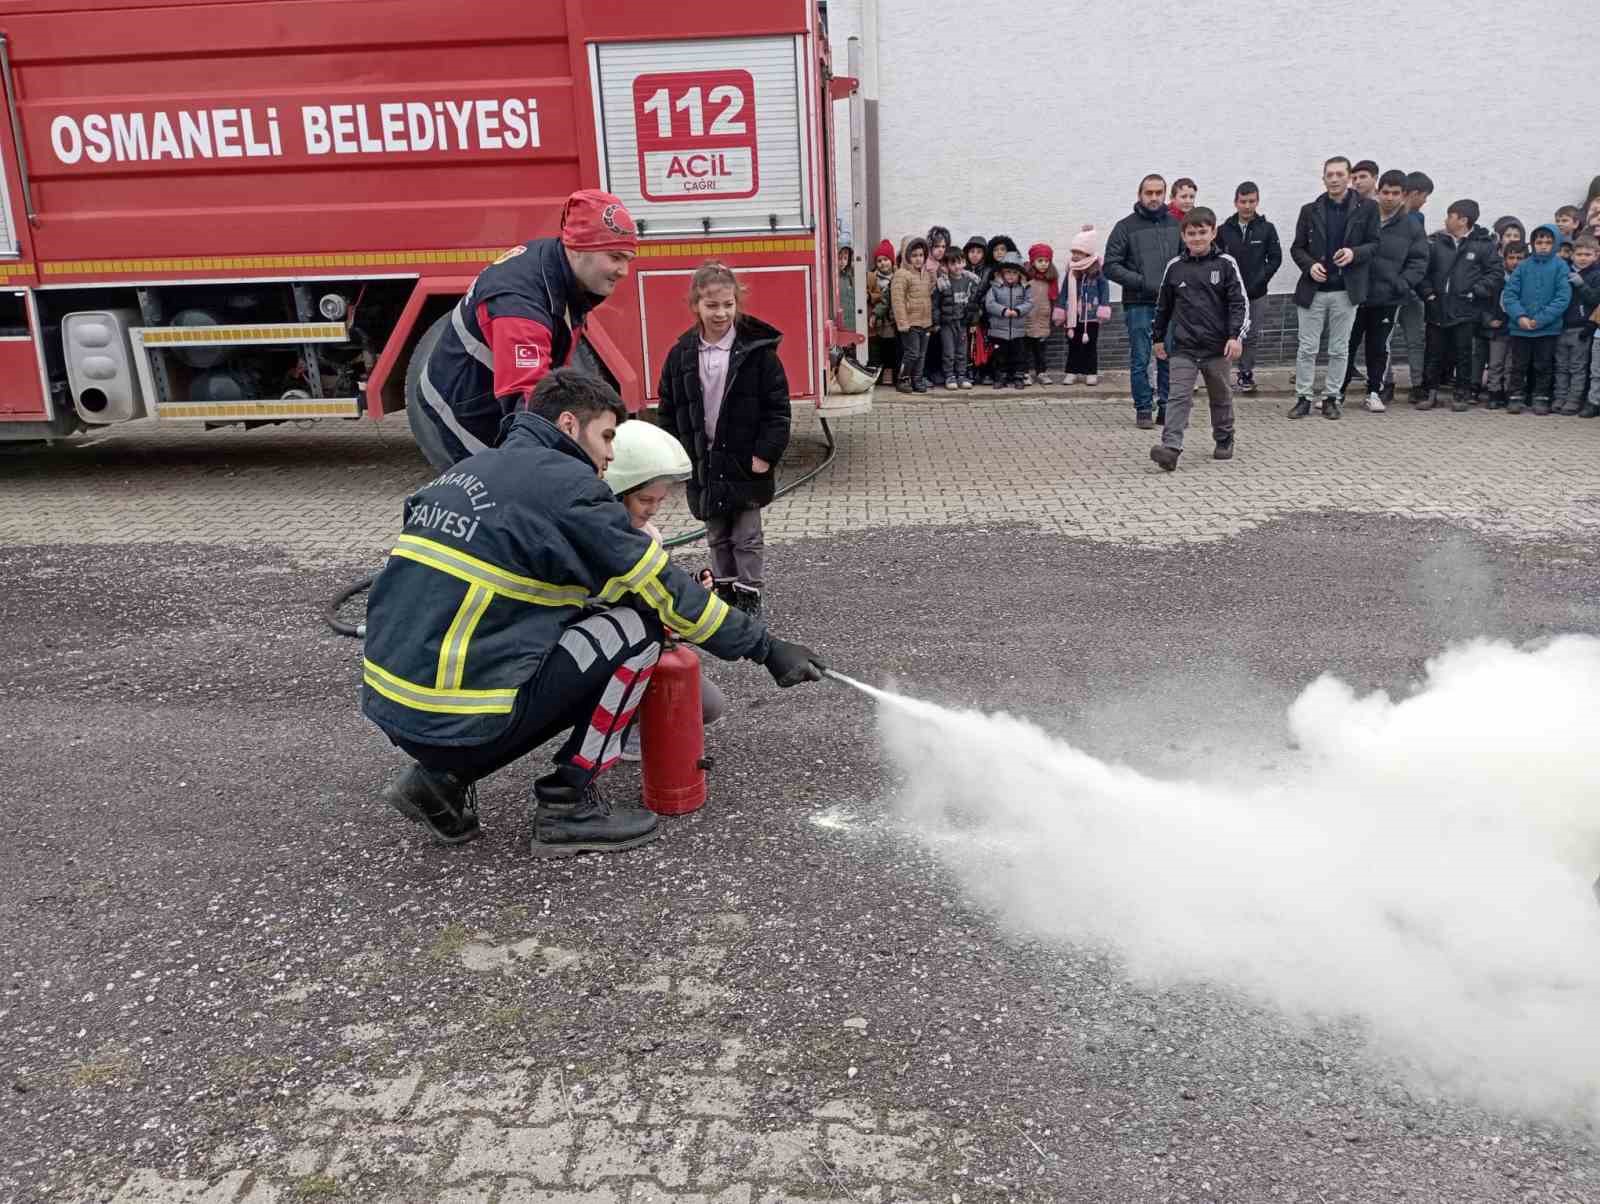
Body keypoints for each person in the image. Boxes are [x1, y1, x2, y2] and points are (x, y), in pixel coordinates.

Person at [364, 369, 826, 856]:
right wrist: (765, 647)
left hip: (395, 707)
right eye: (606, 435)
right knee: (637, 629)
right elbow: (662, 593)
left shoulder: (470, 470)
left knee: (579, 637)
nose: (610, 454)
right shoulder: (568, 486)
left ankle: (437, 782)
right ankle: (568, 803)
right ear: (568, 424)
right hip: (457, 717)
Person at [410, 189, 638, 469]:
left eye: (628, 259)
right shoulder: (520, 303)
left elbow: (552, 378)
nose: (624, 271)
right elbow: (530, 402)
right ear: (579, 248)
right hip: (461, 411)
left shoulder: (560, 270)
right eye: (615, 257)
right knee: (500, 489)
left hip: (490, 395)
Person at [655, 262, 792, 613]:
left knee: (747, 536)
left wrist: (765, 453)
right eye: (712, 306)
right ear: (695, 306)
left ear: (737, 303)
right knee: (717, 534)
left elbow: (777, 409)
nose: (721, 313)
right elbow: (670, 409)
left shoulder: (758, 354)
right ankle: (725, 593)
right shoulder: (681, 355)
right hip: (705, 460)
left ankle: (749, 596)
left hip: (745, 460)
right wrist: (675, 456)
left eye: (728, 305)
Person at [603, 419, 728, 762]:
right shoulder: (597, 542)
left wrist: (692, 588)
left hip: (640, 644)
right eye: (645, 499)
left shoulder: (650, 537)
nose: (653, 509)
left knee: (709, 706)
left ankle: (634, 723)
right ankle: (616, 733)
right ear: (617, 491)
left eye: (660, 500)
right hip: (604, 655)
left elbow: (659, 590)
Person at [1149, 207, 1247, 471]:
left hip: (1217, 348)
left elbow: (1239, 303)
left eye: (1202, 232)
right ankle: (1171, 448)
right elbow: (1163, 306)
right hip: (1184, 348)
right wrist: (1157, 337)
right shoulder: (1175, 267)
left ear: (1213, 232)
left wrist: (1235, 336)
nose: (1197, 238)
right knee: (1178, 397)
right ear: (1183, 236)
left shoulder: (1226, 264)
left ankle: (1224, 437)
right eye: (1191, 233)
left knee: (1221, 395)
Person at [1288, 156, 1380, 420]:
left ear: (1349, 177)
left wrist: (1354, 253)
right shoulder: (1310, 210)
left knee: (1339, 348)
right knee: (1307, 348)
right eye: (1330, 174)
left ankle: (1331, 398)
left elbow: (1375, 244)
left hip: (1345, 290)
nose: (1335, 179)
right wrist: (1309, 266)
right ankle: (1303, 397)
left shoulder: (1367, 209)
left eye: (1340, 174)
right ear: (1324, 178)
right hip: (1313, 290)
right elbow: (1297, 247)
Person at [1344, 170, 1428, 413]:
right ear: (1378, 192)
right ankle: (1336, 392)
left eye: (1395, 193)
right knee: (1346, 345)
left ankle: (1374, 392)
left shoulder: (1411, 226)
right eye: (1386, 192)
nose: (1389, 198)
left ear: (1403, 196)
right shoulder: (1360, 217)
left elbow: (1419, 261)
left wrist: (1400, 284)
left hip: (1387, 298)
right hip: (1356, 294)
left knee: (1379, 347)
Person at [1105, 174, 1182, 429]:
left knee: (1168, 357)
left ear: (1165, 194)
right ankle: (1143, 408)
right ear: (1140, 194)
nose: (1153, 198)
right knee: (1140, 358)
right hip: (1138, 303)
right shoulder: (1125, 227)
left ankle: (1166, 409)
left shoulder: (1175, 225)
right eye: (1148, 193)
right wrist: (1143, 281)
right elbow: (1111, 266)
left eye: (1158, 192)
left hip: (1170, 305)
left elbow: (1186, 260)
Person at [1419, 200, 1502, 411]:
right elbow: (1423, 271)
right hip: (1437, 307)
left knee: (1463, 353)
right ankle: (1430, 392)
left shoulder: (1483, 244)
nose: (1446, 220)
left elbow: (1495, 273)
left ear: (1463, 220)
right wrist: (1428, 294)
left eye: (1450, 216)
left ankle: (1462, 393)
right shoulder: (1436, 242)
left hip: (1466, 309)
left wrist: (1476, 291)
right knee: (1433, 352)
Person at [1216, 181, 1283, 393]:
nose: (1247, 206)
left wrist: (1260, 279)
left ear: (1257, 201)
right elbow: (1217, 259)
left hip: (1256, 293)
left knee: (1251, 335)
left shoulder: (1267, 229)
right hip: (1228, 294)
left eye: (1251, 201)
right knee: (1226, 333)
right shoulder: (1223, 230)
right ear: (1235, 202)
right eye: (1243, 201)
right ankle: (1221, 374)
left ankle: (1246, 374)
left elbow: (1275, 258)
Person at [1502, 224, 1572, 414]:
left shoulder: (1560, 267)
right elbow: (1509, 295)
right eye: (1539, 242)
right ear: (1532, 243)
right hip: (1520, 328)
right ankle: (1515, 396)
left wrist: (1540, 320)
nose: (1543, 245)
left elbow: (1562, 298)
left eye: (1548, 242)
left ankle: (1541, 397)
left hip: (1547, 328)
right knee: (1518, 365)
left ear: (1555, 244)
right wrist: (1521, 316)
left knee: (1543, 365)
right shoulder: (1523, 266)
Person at [1394, 171, 1434, 401]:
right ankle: (1388, 382)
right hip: (1394, 287)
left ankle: (1416, 384)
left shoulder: (1417, 219)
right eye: (1425, 196)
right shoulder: (1391, 216)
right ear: (1415, 193)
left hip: (1409, 288)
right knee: (1388, 340)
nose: (1425, 201)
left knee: (1415, 339)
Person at [1055, 225, 1111, 385]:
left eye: (1078, 252)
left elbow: (1104, 289)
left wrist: (1103, 306)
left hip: (1091, 316)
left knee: (1090, 345)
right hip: (1074, 316)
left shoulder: (1097, 270)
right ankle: (1071, 372)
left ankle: (1091, 372)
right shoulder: (1072, 270)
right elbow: (1064, 290)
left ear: (1087, 253)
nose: (1075, 256)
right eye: (1073, 252)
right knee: (1073, 345)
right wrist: (1060, 308)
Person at [1555, 234, 1600, 413]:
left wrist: (1581, 285)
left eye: (1587, 254)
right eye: (1579, 254)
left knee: (1577, 367)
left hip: (1582, 327)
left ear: (1596, 255)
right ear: (1572, 255)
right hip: (1562, 325)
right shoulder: (1565, 271)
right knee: (1561, 366)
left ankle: (1574, 400)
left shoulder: (1596, 275)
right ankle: (1559, 397)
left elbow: (1595, 299)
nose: (1583, 258)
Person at [1482, 240, 1527, 409]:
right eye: (1512, 257)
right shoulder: (1497, 278)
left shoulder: (1526, 278)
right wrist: (1488, 319)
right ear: (1504, 259)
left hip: (1517, 327)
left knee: (1512, 363)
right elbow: (1486, 302)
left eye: (1520, 258)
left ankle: (1509, 392)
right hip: (1498, 327)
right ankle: (1494, 392)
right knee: (1495, 362)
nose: (1515, 262)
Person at [890, 237, 935, 393]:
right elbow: (897, 300)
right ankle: (903, 379)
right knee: (912, 353)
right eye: (914, 255)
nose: (918, 259)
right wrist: (902, 322)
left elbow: (929, 294)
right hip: (910, 323)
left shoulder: (926, 274)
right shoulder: (902, 274)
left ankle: (917, 379)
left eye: (921, 255)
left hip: (925, 322)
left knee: (922, 354)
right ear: (907, 255)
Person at [984, 251, 1033, 389]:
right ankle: (1001, 377)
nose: (1011, 276)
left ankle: (1018, 377)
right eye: (1008, 272)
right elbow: (989, 304)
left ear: (1019, 274)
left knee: (1018, 356)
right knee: (1000, 356)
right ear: (1002, 273)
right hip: (999, 331)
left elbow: (1029, 303)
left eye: (1014, 273)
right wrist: (1003, 311)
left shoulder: (1024, 288)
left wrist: (1018, 311)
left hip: (1018, 330)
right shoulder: (995, 288)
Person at [933, 250, 980, 390]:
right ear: (946, 265)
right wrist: (936, 322)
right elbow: (935, 305)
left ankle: (961, 375)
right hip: (947, 323)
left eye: (960, 262)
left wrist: (973, 322)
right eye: (953, 263)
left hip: (963, 323)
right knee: (949, 351)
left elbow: (974, 304)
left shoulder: (970, 281)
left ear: (964, 262)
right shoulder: (943, 283)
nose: (957, 266)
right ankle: (949, 376)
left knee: (962, 351)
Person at [1023, 243, 1058, 385]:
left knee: (1041, 351)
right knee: (1025, 350)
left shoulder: (1051, 281)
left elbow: (1054, 299)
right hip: (1028, 319)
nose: (1044, 264)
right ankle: (1025, 373)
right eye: (1040, 261)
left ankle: (1042, 372)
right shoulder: (1026, 279)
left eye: (1046, 261)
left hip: (1043, 320)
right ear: (1033, 262)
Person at [923, 226, 953, 384]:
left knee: (942, 345)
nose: (940, 250)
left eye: (943, 246)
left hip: (945, 311)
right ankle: (928, 373)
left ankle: (938, 371)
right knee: (930, 345)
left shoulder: (945, 264)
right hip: (929, 311)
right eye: (937, 246)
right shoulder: (927, 265)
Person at [866, 239, 898, 385]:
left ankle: (890, 374)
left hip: (892, 319)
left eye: (886, 259)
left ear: (891, 260)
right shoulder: (872, 277)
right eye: (879, 261)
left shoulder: (897, 277)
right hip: (878, 319)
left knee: (891, 346)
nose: (883, 263)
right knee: (877, 347)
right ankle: (878, 374)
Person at [837, 242, 857, 357]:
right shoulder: (834, 278)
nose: (842, 262)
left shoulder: (850, 277)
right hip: (840, 324)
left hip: (852, 324)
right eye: (840, 258)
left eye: (845, 258)